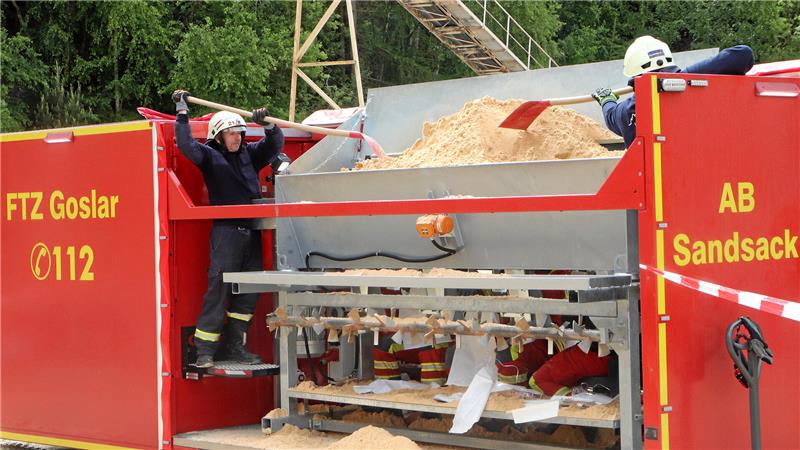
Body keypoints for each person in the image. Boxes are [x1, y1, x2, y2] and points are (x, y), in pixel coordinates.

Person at [172, 89, 289, 368]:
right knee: (219, 290)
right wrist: (182, 113)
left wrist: (269, 126)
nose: (237, 137)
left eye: (239, 132)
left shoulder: (249, 154)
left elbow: (274, 145)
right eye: (231, 133)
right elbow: (186, 145)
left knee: (249, 292)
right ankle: (205, 351)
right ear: (218, 136)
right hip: (226, 235)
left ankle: (235, 346)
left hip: (251, 233)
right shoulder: (210, 157)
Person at [593, 36, 754, 147]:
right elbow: (743, 54)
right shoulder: (689, 82)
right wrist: (684, 77)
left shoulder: (628, 110)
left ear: (634, 74)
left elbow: (611, 115)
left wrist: (606, 99)